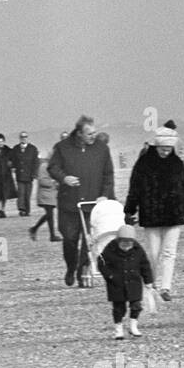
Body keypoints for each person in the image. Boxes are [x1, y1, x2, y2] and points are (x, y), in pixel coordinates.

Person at [125, 126, 184, 301]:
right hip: (151, 214)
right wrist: (130, 210)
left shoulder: (177, 164)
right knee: (153, 253)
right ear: (156, 146)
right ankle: (151, 283)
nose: (166, 152)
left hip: (173, 213)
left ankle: (166, 287)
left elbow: (183, 189)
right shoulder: (143, 163)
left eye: (168, 149)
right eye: (163, 148)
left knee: (169, 253)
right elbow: (134, 188)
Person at [48, 116, 115, 287]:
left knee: (88, 241)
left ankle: (81, 269)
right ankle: (71, 266)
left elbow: (108, 174)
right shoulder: (62, 148)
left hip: (93, 204)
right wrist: (64, 178)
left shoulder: (102, 149)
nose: (93, 136)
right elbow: (52, 168)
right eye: (89, 134)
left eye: (95, 133)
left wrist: (105, 195)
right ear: (79, 133)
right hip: (69, 203)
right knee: (70, 239)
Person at [97, 224, 154, 340]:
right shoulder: (110, 249)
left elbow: (145, 265)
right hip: (116, 284)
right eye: (123, 242)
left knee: (136, 305)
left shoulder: (138, 250)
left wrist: (148, 280)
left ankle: (133, 326)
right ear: (118, 241)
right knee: (118, 308)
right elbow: (101, 263)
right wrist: (110, 276)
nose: (126, 245)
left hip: (134, 282)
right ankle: (118, 329)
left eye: (129, 242)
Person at [29, 157, 61, 241]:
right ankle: (52, 235)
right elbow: (42, 181)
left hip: (51, 194)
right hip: (45, 194)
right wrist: (54, 182)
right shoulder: (44, 167)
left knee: (49, 215)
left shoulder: (54, 166)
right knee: (49, 214)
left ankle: (35, 229)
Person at [11, 131, 39, 217]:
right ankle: (21, 209)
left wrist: (34, 173)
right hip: (19, 175)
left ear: (27, 138)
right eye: (22, 137)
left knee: (27, 194)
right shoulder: (15, 149)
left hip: (29, 176)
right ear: (19, 138)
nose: (23, 138)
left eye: (25, 136)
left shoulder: (33, 149)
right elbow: (13, 160)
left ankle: (27, 210)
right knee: (21, 193)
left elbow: (36, 162)